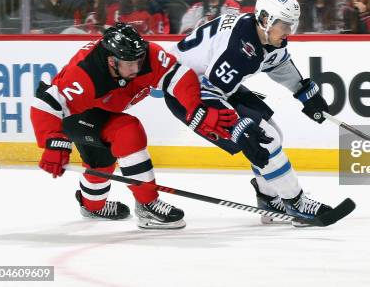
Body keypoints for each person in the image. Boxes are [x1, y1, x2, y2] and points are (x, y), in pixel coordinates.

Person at [30, 23, 237, 229]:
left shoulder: (148, 55)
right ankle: (147, 204)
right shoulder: (85, 74)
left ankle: (91, 206)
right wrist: (52, 141)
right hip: (73, 116)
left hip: (101, 111)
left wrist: (196, 108)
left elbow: (180, 77)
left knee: (100, 163)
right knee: (127, 131)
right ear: (111, 60)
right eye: (129, 64)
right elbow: (44, 104)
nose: (136, 69)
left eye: (138, 61)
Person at [164, 0, 336, 225]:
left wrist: (305, 92)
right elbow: (207, 91)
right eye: (284, 25)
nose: (288, 32)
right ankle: (296, 203)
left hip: (213, 84)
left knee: (272, 134)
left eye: (291, 25)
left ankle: (269, 199)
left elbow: (278, 64)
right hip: (189, 95)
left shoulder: (263, 35)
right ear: (265, 19)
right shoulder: (239, 49)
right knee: (265, 138)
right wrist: (238, 126)